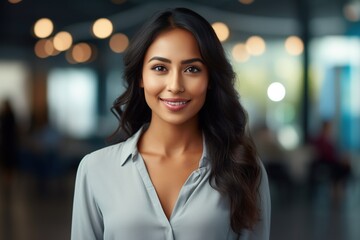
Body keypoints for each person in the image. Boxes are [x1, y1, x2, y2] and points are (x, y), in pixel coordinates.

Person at [71, 7, 270, 240]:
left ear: (210, 80)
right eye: (160, 68)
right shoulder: (95, 169)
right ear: (141, 78)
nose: (175, 85)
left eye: (192, 69)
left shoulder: (243, 168)